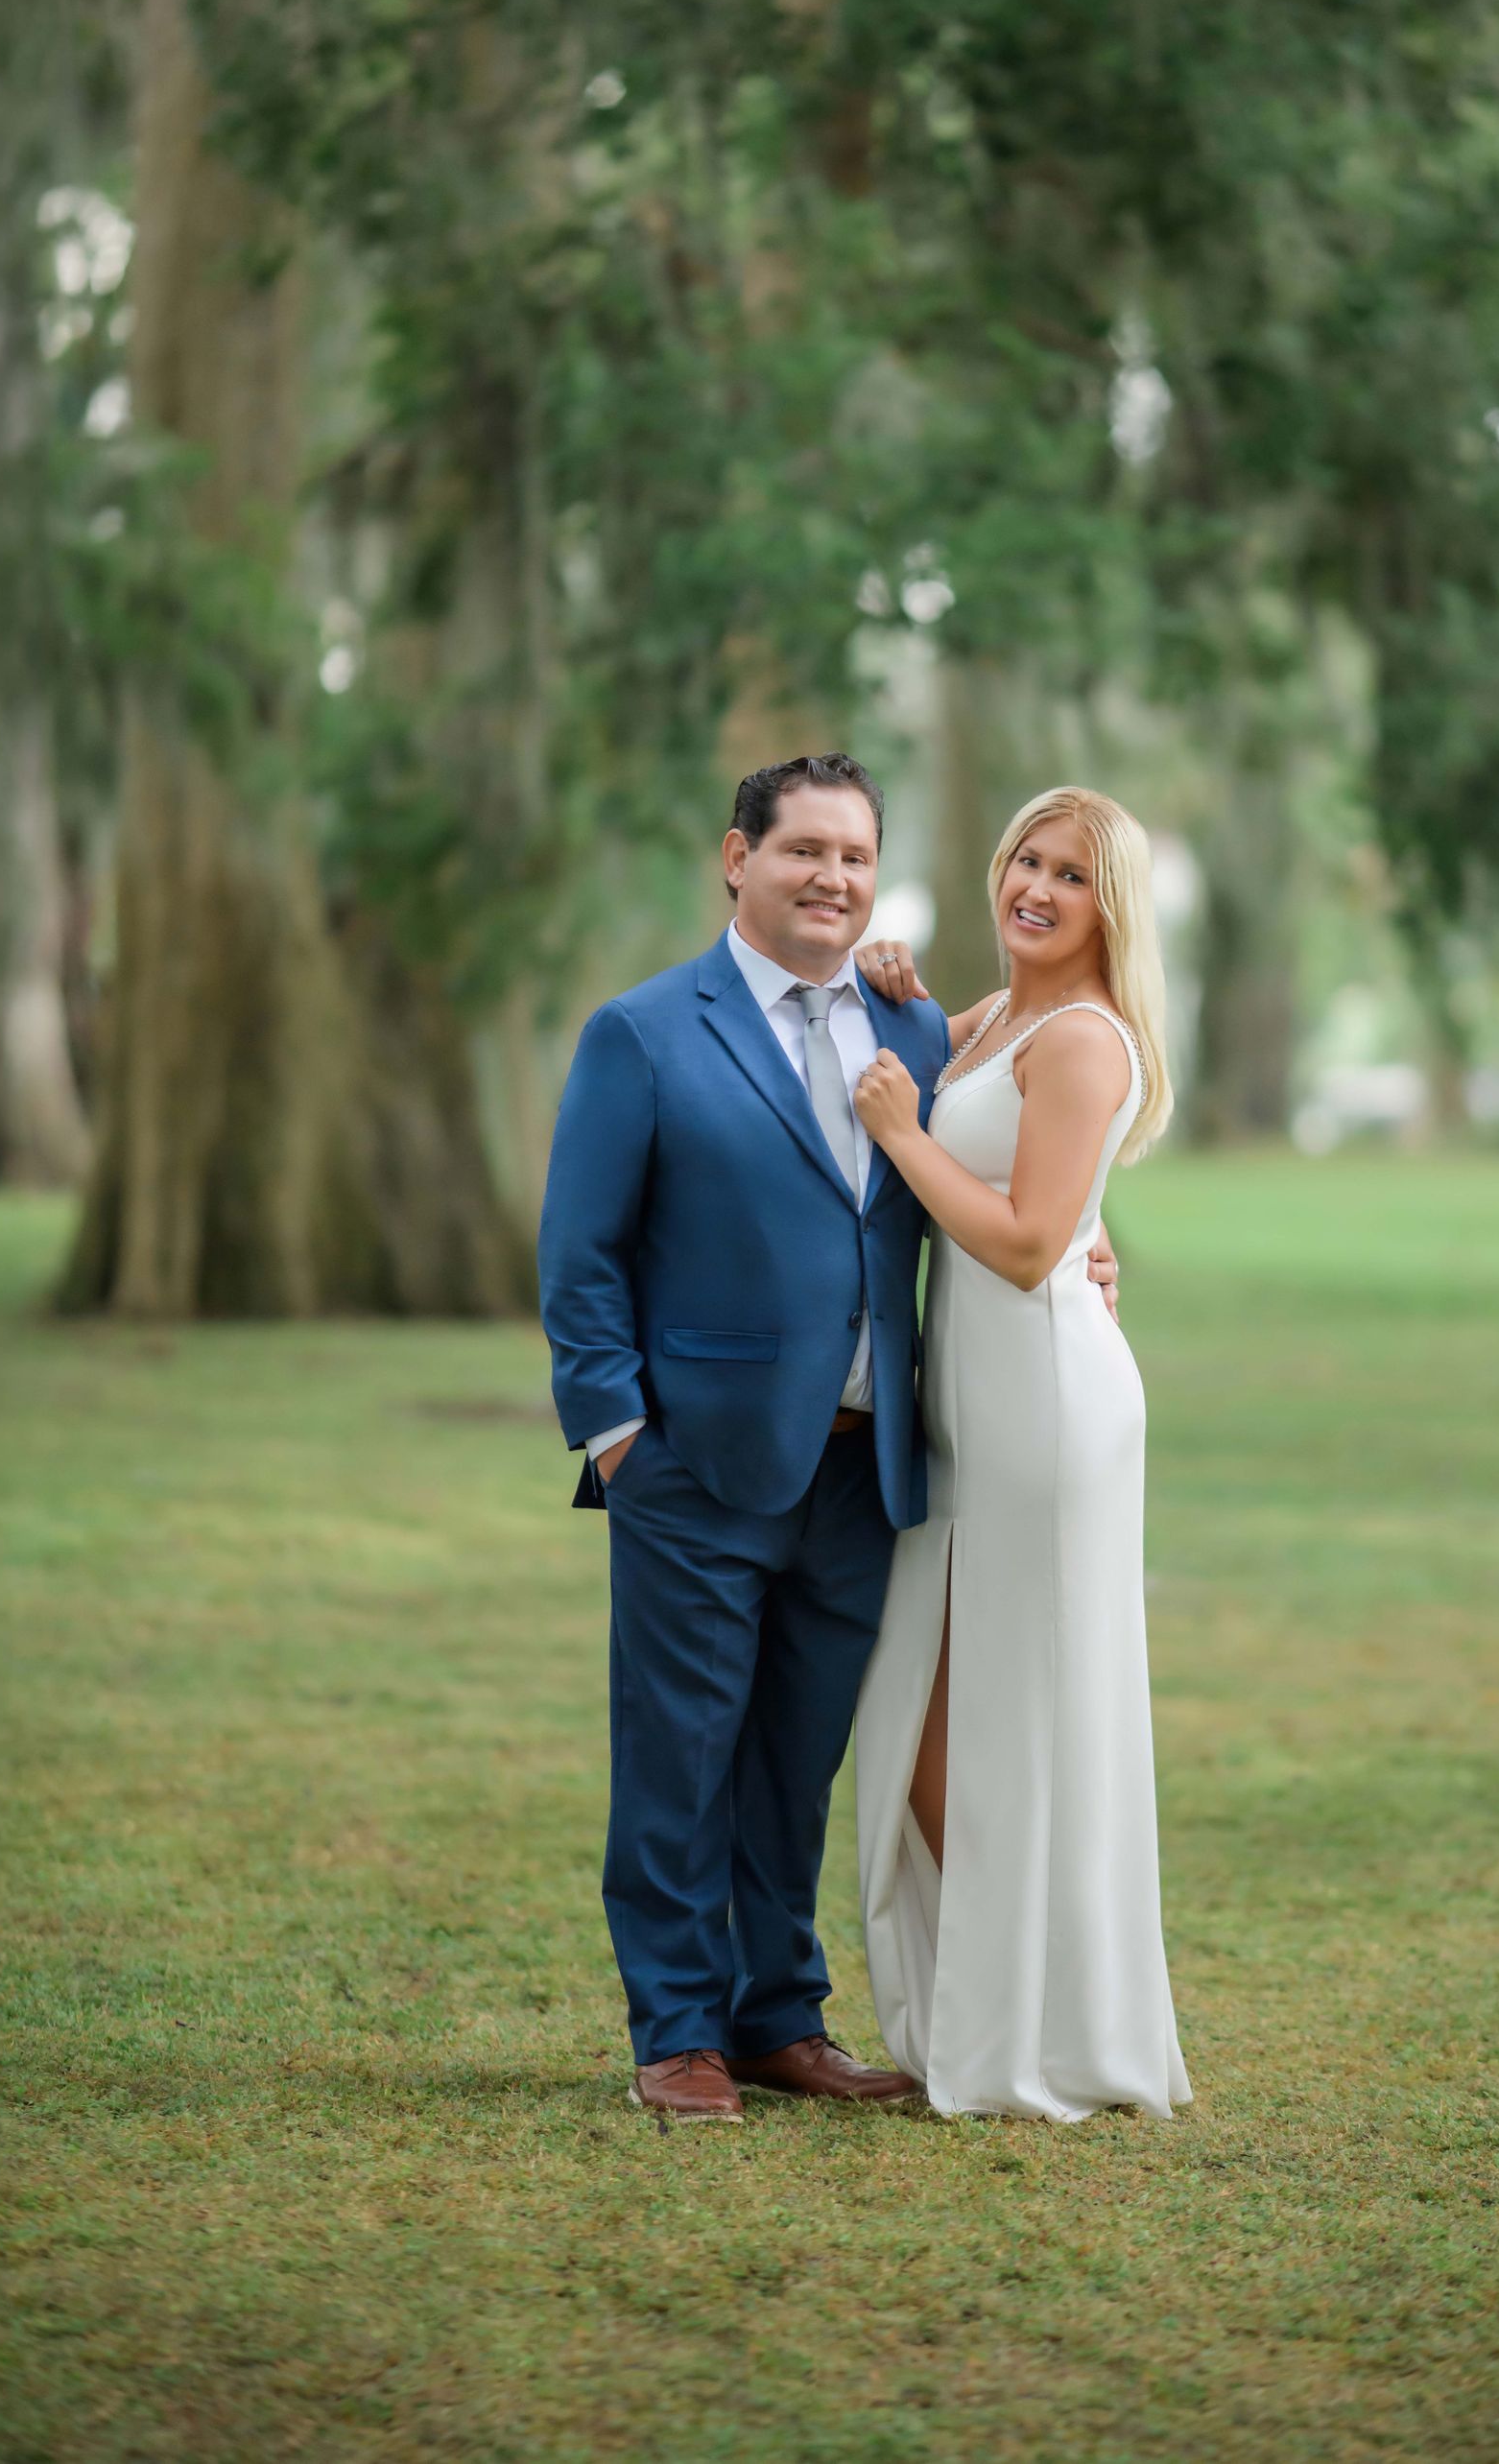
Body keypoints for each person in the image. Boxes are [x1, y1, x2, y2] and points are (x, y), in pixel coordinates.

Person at [536, 754, 1120, 2120]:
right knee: (681, 1753)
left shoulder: (918, 1033)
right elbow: (580, 1256)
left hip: (869, 1466)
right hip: (695, 1460)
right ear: (737, 859)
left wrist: (1096, 1259)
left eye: (855, 856)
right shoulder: (645, 1033)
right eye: (803, 851)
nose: (832, 878)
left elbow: (1016, 1167)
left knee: (798, 1759)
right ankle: (675, 2033)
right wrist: (620, 1436)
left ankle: (776, 2017)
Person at [849, 786, 1193, 2121]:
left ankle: (1052, 2031)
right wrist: (897, 987)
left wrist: (898, 1131)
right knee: (935, 1720)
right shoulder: (996, 1020)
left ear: (1114, 906)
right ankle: (1009, 2009)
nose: (1038, 888)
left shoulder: (1091, 1040)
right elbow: (948, 1075)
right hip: (971, 1406)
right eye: (1025, 860)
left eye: (1072, 874)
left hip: (1047, 1410)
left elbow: (1030, 1243)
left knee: (1021, 1714)